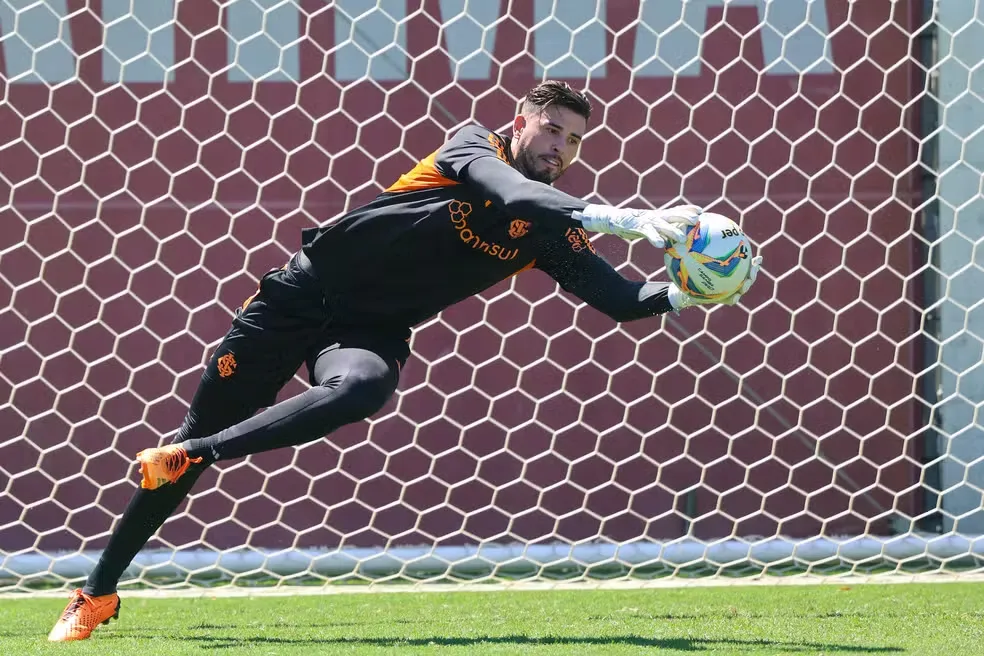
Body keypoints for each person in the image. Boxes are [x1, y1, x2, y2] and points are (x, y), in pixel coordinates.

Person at [48, 80, 762, 641]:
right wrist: (626, 218)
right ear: (520, 121)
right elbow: (512, 190)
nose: (561, 147)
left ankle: (191, 452)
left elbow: (620, 300)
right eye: (552, 130)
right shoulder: (469, 149)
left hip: (370, 327)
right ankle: (97, 592)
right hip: (299, 297)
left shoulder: (547, 230)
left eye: (574, 142)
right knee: (180, 473)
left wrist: (691, 292)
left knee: (364, 386)